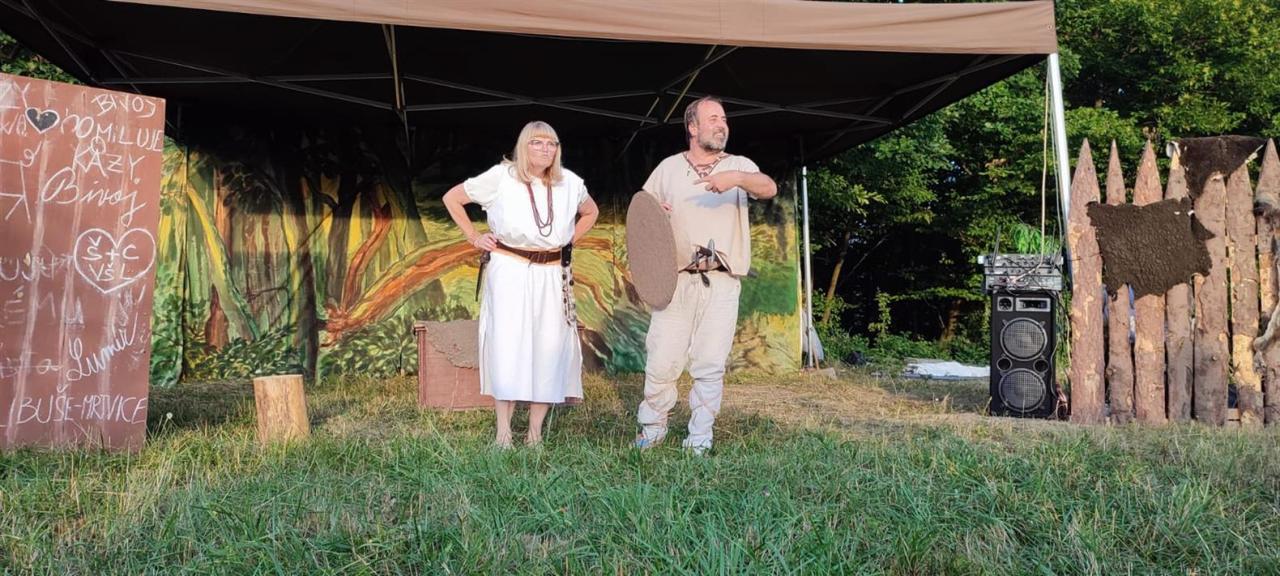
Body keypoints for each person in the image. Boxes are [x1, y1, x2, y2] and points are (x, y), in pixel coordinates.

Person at [633, 96, 778, 455]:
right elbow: (643, 213)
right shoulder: (668, 168)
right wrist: (657, 210)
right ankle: (652, 429)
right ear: (693, 127)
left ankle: (699, 438)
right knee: (662, 359)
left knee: (710, 363)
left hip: (722, 280)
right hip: (675, 280)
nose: (721, 124)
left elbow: (769, 188)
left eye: (724, 118)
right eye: (712, 118)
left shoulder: (739, 165)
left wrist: (736, 179)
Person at [442, 121, 599, 448]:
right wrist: (474, 236)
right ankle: (503, 433)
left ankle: (534, 433)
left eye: (552, 144)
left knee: (549, 346)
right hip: (510, 269)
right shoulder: (502, 176)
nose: (546, 149)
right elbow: (453, 198)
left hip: (552, 273)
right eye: (537, 142)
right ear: (524, 146)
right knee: (508, 345)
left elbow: (591, 212)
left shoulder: (570, 182)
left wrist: (568, 240)